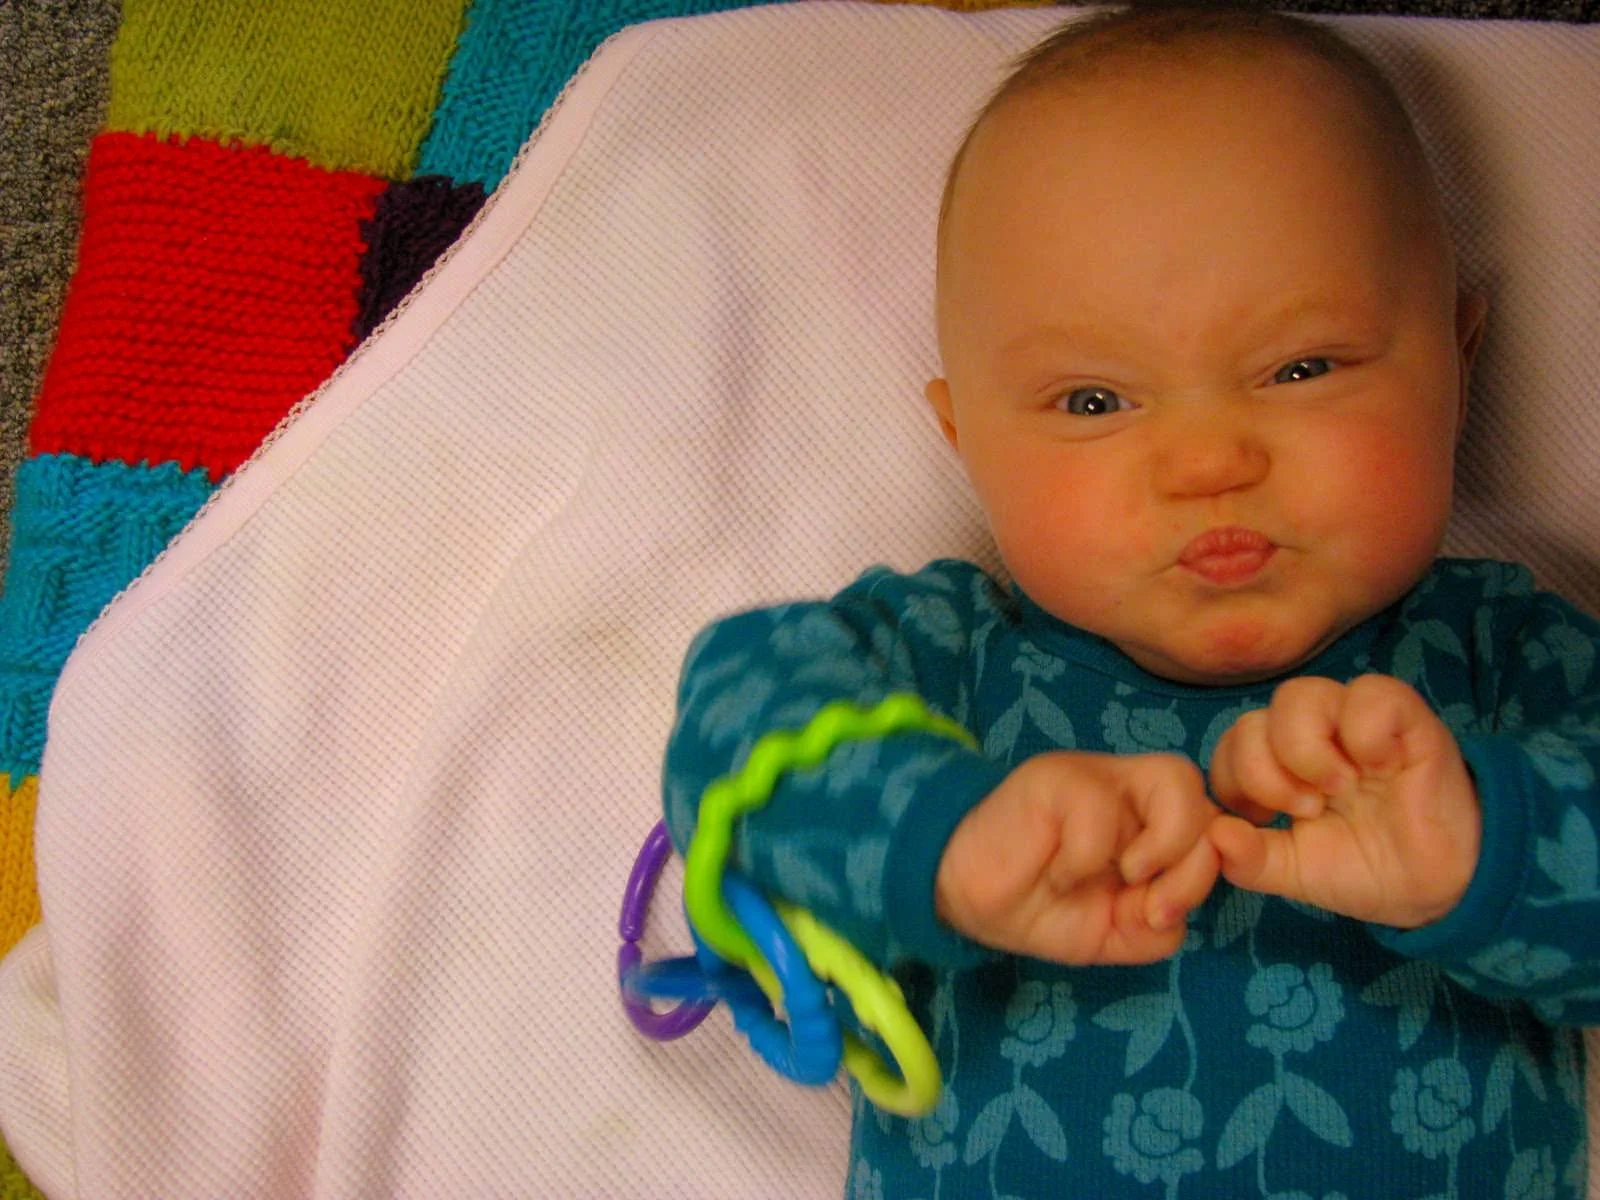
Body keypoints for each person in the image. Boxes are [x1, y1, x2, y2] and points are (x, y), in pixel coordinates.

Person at [661, 5, 1600, 1197]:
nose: (1208, 462)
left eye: (1301, 367)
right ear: (965, 439)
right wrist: (936, 839)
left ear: (1457, 367)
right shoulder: (946, 660)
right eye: (1093, 402)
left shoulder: (1504, 660)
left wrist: (1485, 845)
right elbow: (735, 732)